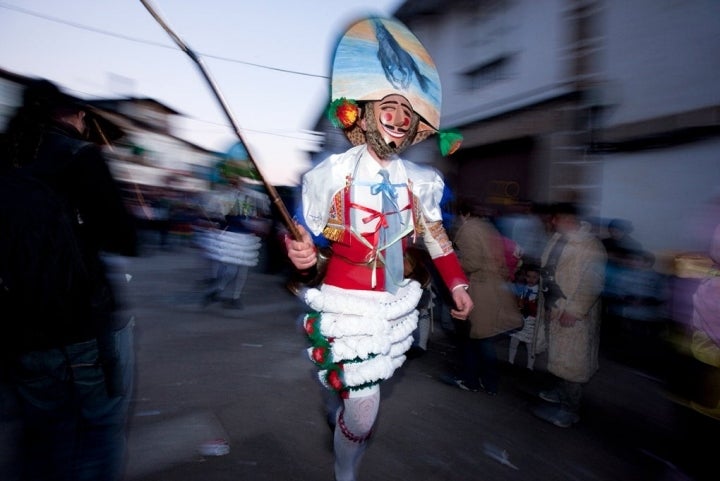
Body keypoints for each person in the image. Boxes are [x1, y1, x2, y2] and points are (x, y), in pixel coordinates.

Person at [284, 17, 473, 481]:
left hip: (391, 304)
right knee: (365, 408)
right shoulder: (333, 173)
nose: (397, 122)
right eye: (389, 109)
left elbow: (436, 239)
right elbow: (301, 233)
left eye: (407, 115)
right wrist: (300, 252)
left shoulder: (422, 182)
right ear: (366, 112)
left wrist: (458, 283)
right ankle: (345, 471)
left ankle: (340, 398)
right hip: (345, 300)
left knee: (362, 389)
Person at [0, 79, 138, 481]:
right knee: (98, 433)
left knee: (40, 438)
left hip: (18, 333)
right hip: (83, 327)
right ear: (73, 115)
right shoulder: (79, 155)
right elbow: (125, 238)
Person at [532, 202, 607, 428]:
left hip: (573, 313)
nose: (551, 222)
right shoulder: (559, 238)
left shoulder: (589, 245)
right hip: (553, 305)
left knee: (572, 363)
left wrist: (575, 310)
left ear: (567, 219)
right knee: (557, 354)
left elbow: (593, 282)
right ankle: (559, 391)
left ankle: (570, 410)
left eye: (555, 218)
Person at [443, 201, 523, 394]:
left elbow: (472, 262)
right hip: (493, 287)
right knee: (480, 337)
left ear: (462, 213)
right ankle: (483, 381)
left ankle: (478, 381)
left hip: (479, 289)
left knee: (478, 337)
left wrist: (452, 263)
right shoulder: (487, 226)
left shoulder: (468, 230)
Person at [508, 263, 541, 369]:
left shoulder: (540, 291)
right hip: (521, 318)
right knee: (514, 340)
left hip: (532, 320)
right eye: (528, 276)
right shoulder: (522, 288)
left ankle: (530, 367)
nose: (531, 279)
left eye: (534, 277)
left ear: (539, 278)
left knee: (530, 344)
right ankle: (510, 361)